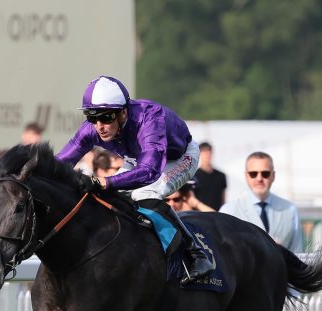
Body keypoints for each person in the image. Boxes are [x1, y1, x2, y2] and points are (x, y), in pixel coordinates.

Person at [56, 75, 213, 282]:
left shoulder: (150, 119)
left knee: (144, 193)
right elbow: (58, 165)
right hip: (138, 159)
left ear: (123, 112)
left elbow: (150, 172)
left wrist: (104, 181)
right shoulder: (92, 128)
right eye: (92, 117)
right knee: (104, 197)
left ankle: (196, 254)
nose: (99, 125)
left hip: (179, 158)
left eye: (106, 117)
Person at [220, 152, 302, 253]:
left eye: (265, 174)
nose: (259, 178)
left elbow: (298, 254)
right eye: (253, 174)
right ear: (246, 176)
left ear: (273, 176)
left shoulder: (290, 210)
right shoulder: (229, 211)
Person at [193, 142, 227, 210]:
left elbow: (223, 199)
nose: (207, 155)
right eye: (204, 152)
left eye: (209, 151)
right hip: (200, 215)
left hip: (217, 215)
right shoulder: (193, 177)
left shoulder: (221, 176)